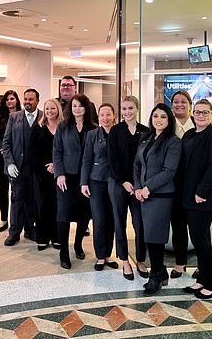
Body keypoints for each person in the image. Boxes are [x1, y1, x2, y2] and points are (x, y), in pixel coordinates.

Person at [134, 103, 181, 295]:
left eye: (163, 116)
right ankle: (161, 273)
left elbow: (169, 171)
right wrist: (138, 187)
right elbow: (137, 165)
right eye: (155, 116)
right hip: (144, 194)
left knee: (155, 236)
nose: (158, 120)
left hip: (161, 195)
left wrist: (147, 188)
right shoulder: (146, 138)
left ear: (169, 120)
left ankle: (156, 275)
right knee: (149, 234)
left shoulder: (173, 142)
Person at [182, 99, 212, 300]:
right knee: (200, 238)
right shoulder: (189, 134)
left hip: (203, 196)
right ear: (192, 114)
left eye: (205, 113)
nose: (200, 116)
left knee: (201, 240)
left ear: (211, 115)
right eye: (198, 112)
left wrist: (202, 192)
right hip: (189, 194)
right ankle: (202, 279)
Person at [107, 96, 150, 280]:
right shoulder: (115, 131)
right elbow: (112, 159)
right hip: (119, 185)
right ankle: (124, 261)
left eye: (130, 108)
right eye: (123, 109)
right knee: (120, 223)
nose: (127, 112)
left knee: (140, 225)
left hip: (139, 187)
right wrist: (124, 181)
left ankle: (140, 259)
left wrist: (139, 184)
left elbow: (148, 160)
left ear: (137, 109)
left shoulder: (146, 132)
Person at [53, 94, 96, 269]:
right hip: (66, 178)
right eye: (74, 106)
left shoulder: (94, 128)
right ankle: (64, 251)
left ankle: (78, 244)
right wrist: (59, 173)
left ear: (86, 108)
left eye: (80, 106)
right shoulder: (63, 127)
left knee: (84, 215)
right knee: (63, 214)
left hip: (86, 179)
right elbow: (57, 151)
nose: (77, 109)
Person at [81, 103, 118, 272]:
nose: (105, 118)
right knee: (99, 219)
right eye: (102, 115)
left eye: (108, 114)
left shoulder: (119, 133)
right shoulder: (92, 135)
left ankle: (108, 254)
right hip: (96, 182)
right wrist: (83, 182)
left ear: (114, 116)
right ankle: (100, 256)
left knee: (111, 219)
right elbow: (86, 159)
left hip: (115, 182)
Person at [2, 88, 42, 246]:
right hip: (18, 167)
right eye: (25, 99)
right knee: (17, 199)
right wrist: (9, 163)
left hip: (36, 169)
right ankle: (14, 232)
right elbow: (6, 143)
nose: (27, 102)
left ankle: (30, 230)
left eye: (31, 100)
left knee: (33, 200)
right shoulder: (14, 117)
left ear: (37, 101)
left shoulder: (43, 117)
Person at [30, 98, 63, 250]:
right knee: (41, 205)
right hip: (41, 174)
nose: (50, 111)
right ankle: (42, 237)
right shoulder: (38, 127)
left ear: (58, 110)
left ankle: (57, 237)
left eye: (53, 108)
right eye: (47, 108)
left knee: (57, 205)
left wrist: (56, 165)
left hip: (59, 173)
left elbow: (67, 150)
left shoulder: (64, 127)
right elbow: (33, 151)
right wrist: (46, 167)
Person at [170, 90, 195, 279]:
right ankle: (180, 264)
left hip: (194, 186)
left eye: (183, 101)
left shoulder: (198, 124)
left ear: (189, 104)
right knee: (178, 225)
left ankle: (202, 264)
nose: (179, 104)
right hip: (174, 185)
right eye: (176, 101)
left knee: (198, 228)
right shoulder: (168, 126)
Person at [0, 90, 21, 233]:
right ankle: (4, 220)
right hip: (2, 156)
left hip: (18, 157)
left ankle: (18, 220)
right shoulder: (1, 116)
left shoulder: (22, 116)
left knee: (17, 189)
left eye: (12, 98)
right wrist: (1, 148)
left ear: (17, 100)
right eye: (7, 99)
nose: (9, 101)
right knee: (3, 188)